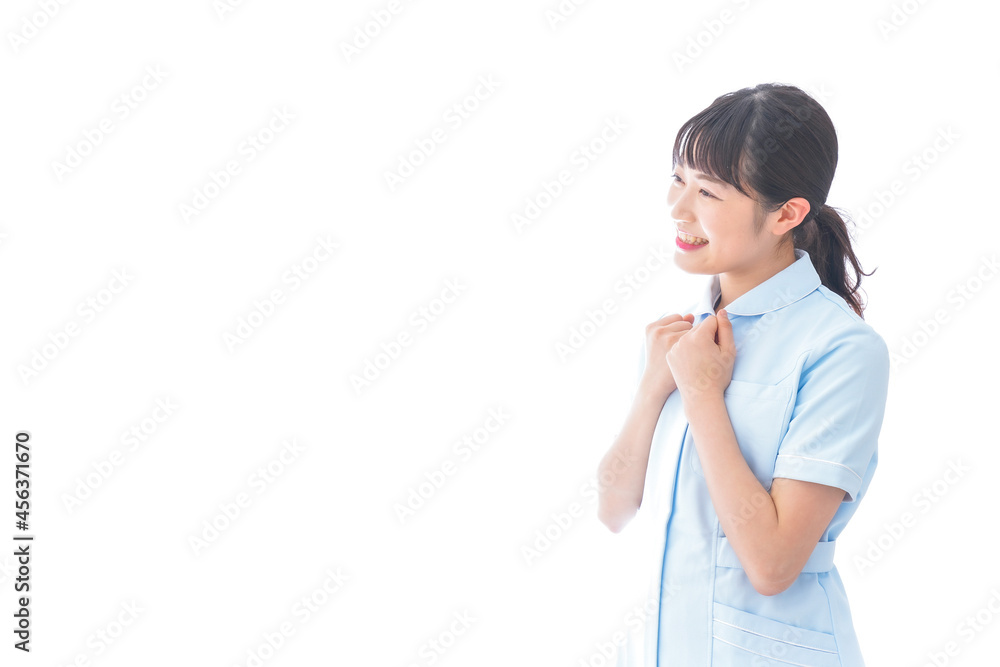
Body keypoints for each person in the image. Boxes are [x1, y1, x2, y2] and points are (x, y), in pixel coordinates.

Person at [597, 83, 891, 666]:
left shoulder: (842, 350)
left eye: (708, 191)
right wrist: (654, 388)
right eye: (678, 179)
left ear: (787, 214)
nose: (679, 208)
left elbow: (772, 565)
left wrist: (702, 395)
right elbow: (614, 511)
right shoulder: (679, 339)